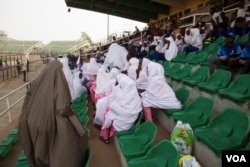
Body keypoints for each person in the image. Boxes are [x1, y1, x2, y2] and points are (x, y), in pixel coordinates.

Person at [18, 60, 89, 167]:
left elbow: (27, 100)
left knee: (40, 151)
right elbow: (62, 108)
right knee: (56, 149)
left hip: (32, 121)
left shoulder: (37, 82)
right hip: (48, 122)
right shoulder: (58, 79)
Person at [99, 74, 142, 144]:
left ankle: (105, 137)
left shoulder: (122, 95)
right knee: (108, 112)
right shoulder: (135, 95)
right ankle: (104, 135)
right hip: (130, 122)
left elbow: (114, 106)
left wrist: (112, 106)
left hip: (121, 124)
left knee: (107, 114)